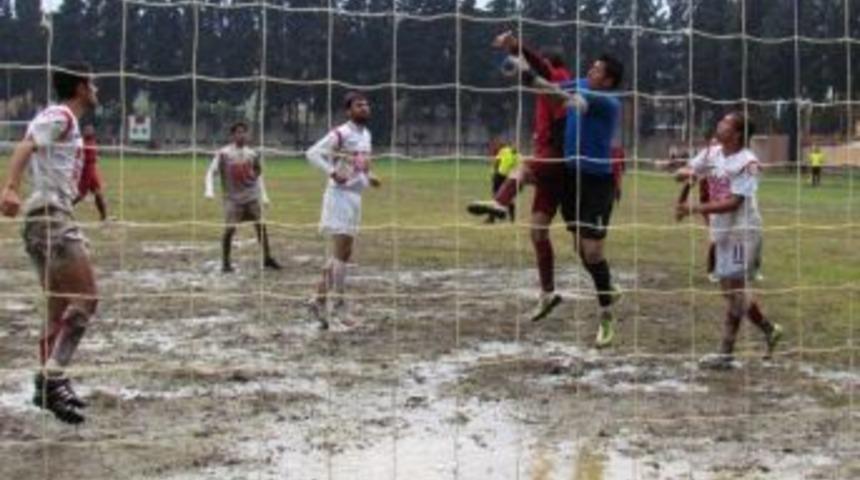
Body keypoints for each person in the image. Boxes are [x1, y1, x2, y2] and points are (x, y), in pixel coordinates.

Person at [0, 64, 100, 424]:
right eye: (92, 83)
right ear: (80, 87)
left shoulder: (68, 123)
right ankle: (50, 378)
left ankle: (52, 380)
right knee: (86, 300)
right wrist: (10, 186)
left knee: (58, 311)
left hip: (44, 220)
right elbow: (27, 143)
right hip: (50, 218)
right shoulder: (60, 115)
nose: (97, 89)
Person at [467, 31, 572, 322]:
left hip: (556, 158)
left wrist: (516, 46)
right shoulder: (543, 89)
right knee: (538, 231)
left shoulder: (559, 77)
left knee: (523, 167)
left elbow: (541, 68)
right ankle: (548, 294)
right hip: (551, 164)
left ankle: (500, 203)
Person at [675, 112, 783, 369]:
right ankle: (769, 329)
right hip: (722, 230)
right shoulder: (713, 151)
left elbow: (734, 203)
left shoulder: (748, 163)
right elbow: (694, 170)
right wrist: (682, 173)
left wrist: (693, 209)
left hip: (742, 231)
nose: (719, 125)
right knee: (729, 290)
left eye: (725, 123)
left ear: (736, 134)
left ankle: (726, 352)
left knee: (735, 290)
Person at [305, 92, 381, 330]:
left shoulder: (366, 135)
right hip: (339, 197)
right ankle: (338, 308)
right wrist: (332, 172)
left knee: (343, 254)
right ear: (348, 111)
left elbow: (359, 164)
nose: (365, 108)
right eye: (359, 105)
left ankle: (317, 300)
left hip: (355, 198)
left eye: (367, 104)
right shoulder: (341, 133)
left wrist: (370, 177)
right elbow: (312, 153)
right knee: (341, 254)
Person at [205, 121, 281, 273]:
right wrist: (209, 190)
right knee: (229, 230)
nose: (241, 135)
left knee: (261, 226)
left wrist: (264, 196)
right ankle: (226, 263)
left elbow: (258, 176)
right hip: (233, 200)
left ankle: (267, 258)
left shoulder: (252, 154)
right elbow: (210, 172)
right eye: (238, 132)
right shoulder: (224, 154)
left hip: (251, 197)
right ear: (232, 135)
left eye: (244, 132)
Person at [72, 124, 108, 221]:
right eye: (87, 130)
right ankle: (64, 209)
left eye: (91, 130)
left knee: (98, 193)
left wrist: (96, 157)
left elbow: (95, 153)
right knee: (81, 195)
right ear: (83, 132)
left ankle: (104, 217)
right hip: (86, 169)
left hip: (93, 169)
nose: (89, 131)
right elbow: (77, 156)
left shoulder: (92, 140)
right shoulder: (81, 143)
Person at [487, 138, 519, 223]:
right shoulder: (509, 152)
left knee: (502, 197)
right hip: (504, 176)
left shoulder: (512, 154)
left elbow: (497, 163)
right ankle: (494, 218)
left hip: (504, 177)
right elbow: (498, 161)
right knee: (501, 197)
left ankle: (495, 218)